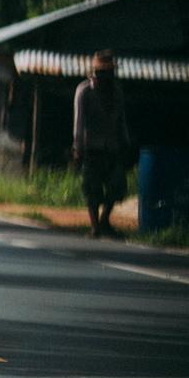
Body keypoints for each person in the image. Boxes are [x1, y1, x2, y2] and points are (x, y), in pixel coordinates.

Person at [73, 49, 130, 238]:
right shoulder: (85, 91)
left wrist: (125, 143)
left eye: (109, 72)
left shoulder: (117, 92)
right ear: (95, 72)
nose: (106, 76)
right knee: (92, 189)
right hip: (91, 149)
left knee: (117, 186)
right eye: (102, 72)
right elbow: (79, 123)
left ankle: (105, 220)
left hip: (112, 148)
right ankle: (95, 226)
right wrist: (78, 149)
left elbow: (122, 120)